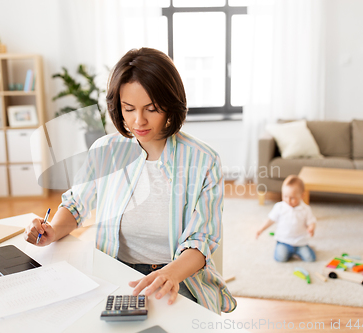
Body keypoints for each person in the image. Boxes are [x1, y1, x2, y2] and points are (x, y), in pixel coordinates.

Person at [24, 47, 236, 314]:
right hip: (114, 270)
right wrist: (52, 230)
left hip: (177, 277)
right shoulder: (106, 150)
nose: (139, 120)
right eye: (129, 109)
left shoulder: (204, 161)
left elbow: (202, 240)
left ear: (170, 104)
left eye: (152, 108)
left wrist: (169, 275)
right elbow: (76, 205)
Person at [256, 175, 316, 262]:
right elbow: (270, 219)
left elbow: (311, 221)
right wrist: (261, 229)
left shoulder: (305, 209)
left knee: (310, 258)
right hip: (284, 241)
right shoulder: (279, 207)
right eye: (285, 196)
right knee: (280, 258)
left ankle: (301, 250)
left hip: (300, 242)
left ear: (302, 195)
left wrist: (311, 228)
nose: (288, 200)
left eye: (292, 198)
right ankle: (289, 252)